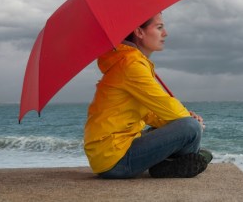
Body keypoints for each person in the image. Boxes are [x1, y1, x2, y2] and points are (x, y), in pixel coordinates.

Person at [83, 12, 211, 179]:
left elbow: (148, 113)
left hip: (111, 152)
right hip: (115, 160)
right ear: (139, 32)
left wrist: (182, 119)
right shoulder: (131, 65)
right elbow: (164, 103)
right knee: (191, 128)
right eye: (159, 28)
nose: (165, 33)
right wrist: (188, 120)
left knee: (182, 127)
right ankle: (171, 163)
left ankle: (170, 162)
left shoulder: (128, 61)